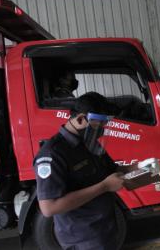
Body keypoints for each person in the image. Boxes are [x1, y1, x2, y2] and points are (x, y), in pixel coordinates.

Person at [33, 92, 125, 249]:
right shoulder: (53, 154)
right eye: (100, 123)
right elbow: (49, 208)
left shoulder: (90, 143)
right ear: (81, 119)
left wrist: (146, 169)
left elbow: (112, 172)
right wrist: (104, 187)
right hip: (83, 239)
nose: (103, 129)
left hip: (106, 230)